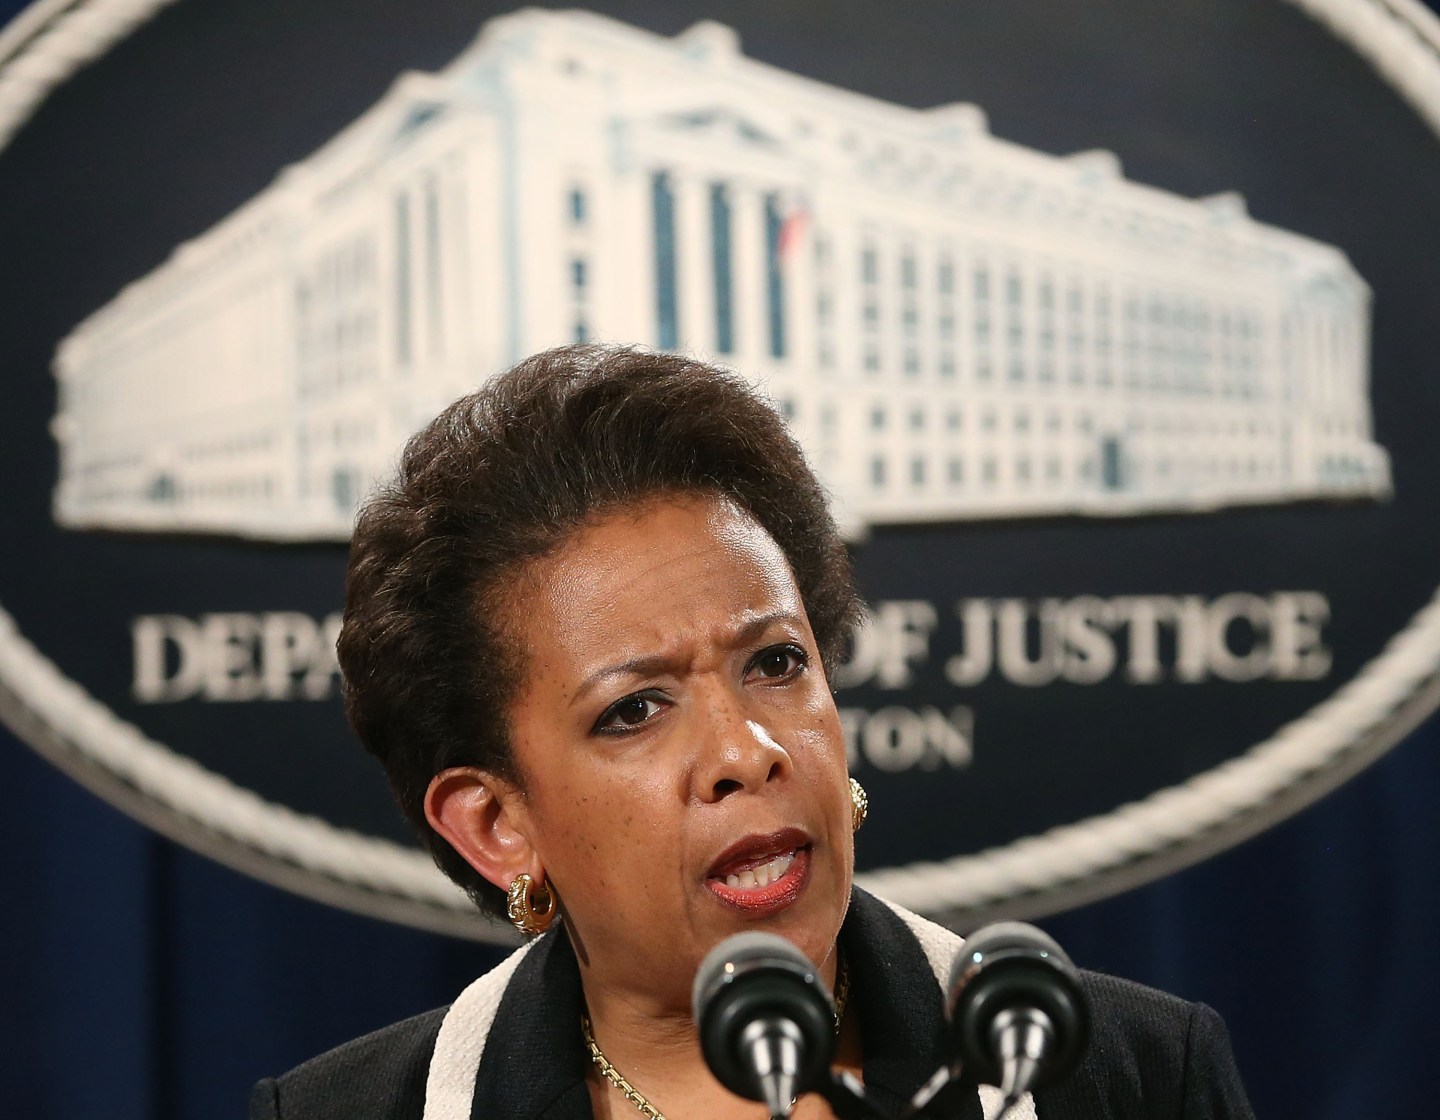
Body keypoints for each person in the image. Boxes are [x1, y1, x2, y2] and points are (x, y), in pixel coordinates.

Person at [250, 344, 1254, 1120]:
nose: (746, 752)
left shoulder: (1127, 1077)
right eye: (634, 710)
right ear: (497, 823)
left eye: (775, 663)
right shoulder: (348, 1112)